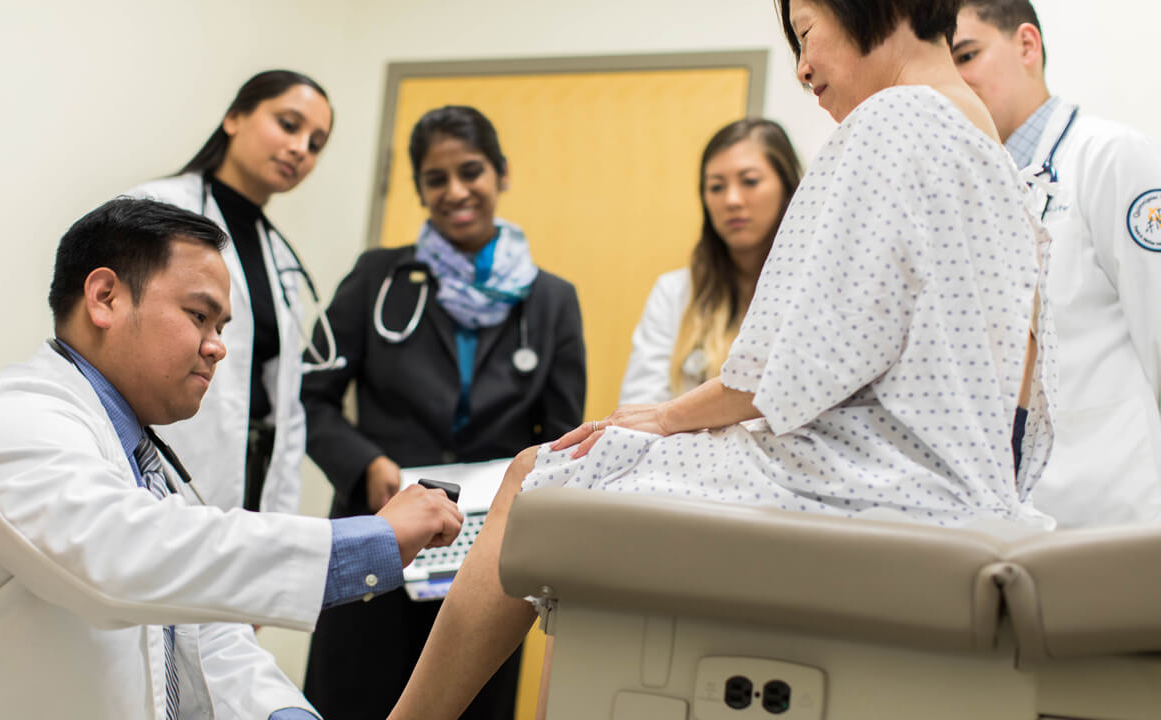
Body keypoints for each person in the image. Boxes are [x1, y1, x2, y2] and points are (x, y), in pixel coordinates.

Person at [387, 0, 1054, 717]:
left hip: (871, 484)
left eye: (806, 35)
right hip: (964, 492)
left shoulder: (891, 122)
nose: (803, 68)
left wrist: (670, 416)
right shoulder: (997, 158)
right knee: (583, 481)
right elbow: (1024, 374)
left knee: (541, 479)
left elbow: (794, 366)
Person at [0, 198, 463, 719]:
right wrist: (371, 542)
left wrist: (283, 712)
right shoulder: (6, 424)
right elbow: (122, 559)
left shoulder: (139, 456)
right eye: (198, 316)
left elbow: (205, 632)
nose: (217, 346)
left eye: (221, 326)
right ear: (105, 297)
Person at [301, 105, 587, 718]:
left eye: (471, 171)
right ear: (420, 189)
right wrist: (365, 464)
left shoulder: (551, 301)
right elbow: (312, 395)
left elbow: (560, 440)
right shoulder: (378, 277)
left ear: (501, 174)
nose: (455, 192)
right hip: (376, 540)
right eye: (436, 179)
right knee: (351, 698)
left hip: (484, 562)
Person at [952, 0, 1161, 527]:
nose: (955, 81)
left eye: (968, 55)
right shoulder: (963, 190)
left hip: (1116, 509)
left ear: (1027, 45)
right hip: (1004, 521)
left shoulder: (1110, 156)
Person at [126, 70, 336, 514]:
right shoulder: (155, 211)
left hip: (255, 470)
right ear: (235, 117)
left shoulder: (279, 256)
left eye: (315, 144)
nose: (300, 148)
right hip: (169, 457)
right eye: (288, 124)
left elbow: (283, 396)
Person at [619, 119, 802, 404]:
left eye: (750, 181)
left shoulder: (815, 288)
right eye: (716, 187)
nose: (731, 200)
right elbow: (639, 408)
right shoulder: (675, 292)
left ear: (787, 187)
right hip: (682, 450)